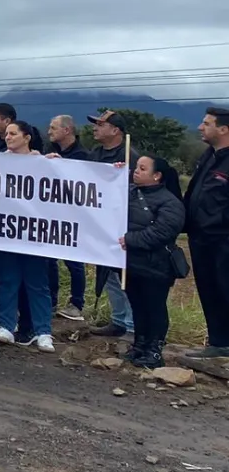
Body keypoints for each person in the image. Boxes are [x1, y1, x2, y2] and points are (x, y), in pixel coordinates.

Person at [0, 121, 56, 353]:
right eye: (6, 134)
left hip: (34, 233)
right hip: (5, 232)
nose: (7, 137)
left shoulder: (44, 162)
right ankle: (6, 325)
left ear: (27, 137)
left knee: (37, 284)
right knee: (7, 281)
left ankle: (43, 332)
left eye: (13, 133)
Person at [120, 156, 187, 368]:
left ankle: (155, 350)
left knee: (155, 307)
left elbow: (161, 233)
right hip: (132, 264)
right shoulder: (129, 192)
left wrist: (129, 240)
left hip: (156, 266)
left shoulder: (171, 203)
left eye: (142, 168)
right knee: (138, 305)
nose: (135, 171)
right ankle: (139, 345)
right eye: (136, 167)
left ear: (157, 176)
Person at [85, 110, 140, 340]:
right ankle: (118, 320)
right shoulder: (95, 154)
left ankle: (132, 325)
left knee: (125, 275)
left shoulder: (130, 156)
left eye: (100, 124)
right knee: (107, 273)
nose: (95, 128)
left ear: (115, 130)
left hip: (124, 226)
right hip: (101, 225)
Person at [183, 106, 229, 359]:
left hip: (223, 239)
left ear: (223, 129)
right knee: (209, 290)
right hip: (200, 239)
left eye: (207, 123)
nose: (201, 127)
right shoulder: (208, 156)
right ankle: (219, 343)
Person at [45, 114, 89, 323]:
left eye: (53, 128)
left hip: (74, 217)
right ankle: (51, 301)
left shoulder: (83, 155)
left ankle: (77, 304)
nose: (49, 132)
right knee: (49, 260)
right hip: (53, 214)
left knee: (74, 262)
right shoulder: (50, 151)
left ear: (67, 130)